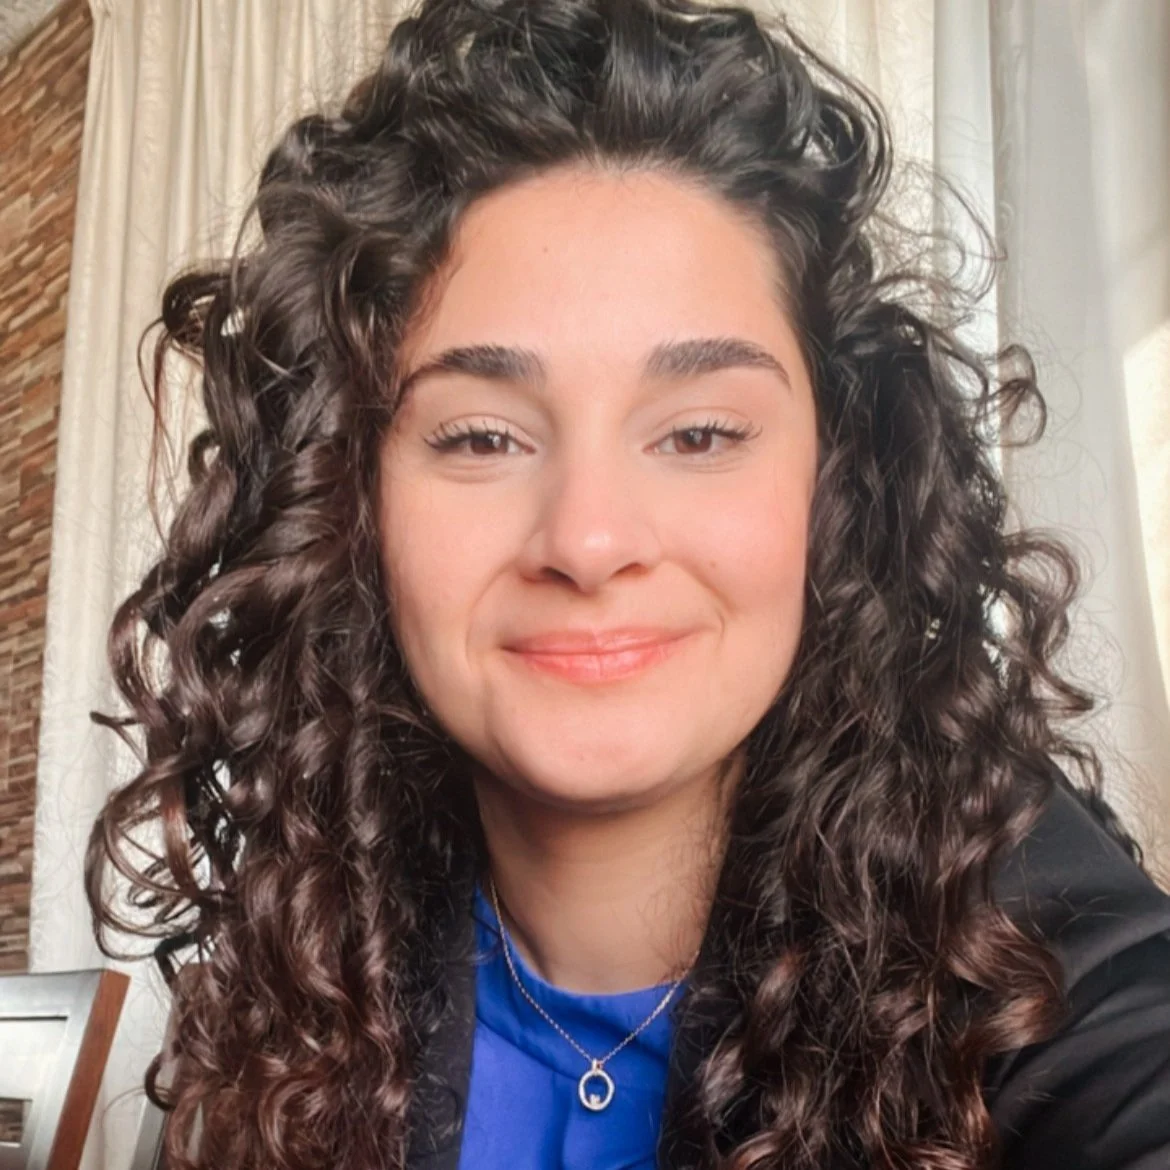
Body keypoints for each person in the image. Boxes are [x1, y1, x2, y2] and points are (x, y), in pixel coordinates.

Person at [85, 1, 1170, 1168]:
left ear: (836, 480)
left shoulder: (1045, 959)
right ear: (350, 497)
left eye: (700, 433)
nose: (589, 541)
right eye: (482, 438)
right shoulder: (306, 937)